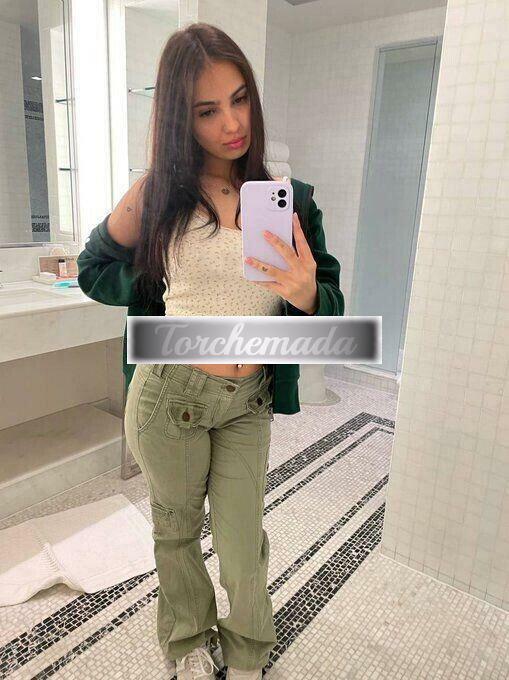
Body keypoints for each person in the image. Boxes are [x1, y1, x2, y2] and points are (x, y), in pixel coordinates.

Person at [77, 22, 344, 680]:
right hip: (170, 397)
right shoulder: (158, 196)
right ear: (180, 118)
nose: (232, 123)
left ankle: (249, 649)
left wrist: (308, 295)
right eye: (207, 110)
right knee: (175, 532)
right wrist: (143, 262)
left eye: (240, 99)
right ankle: (187, 640)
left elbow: (330, 307)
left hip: (248, 400)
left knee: (240, 541)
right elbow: (93, 270)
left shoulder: (289, 202)